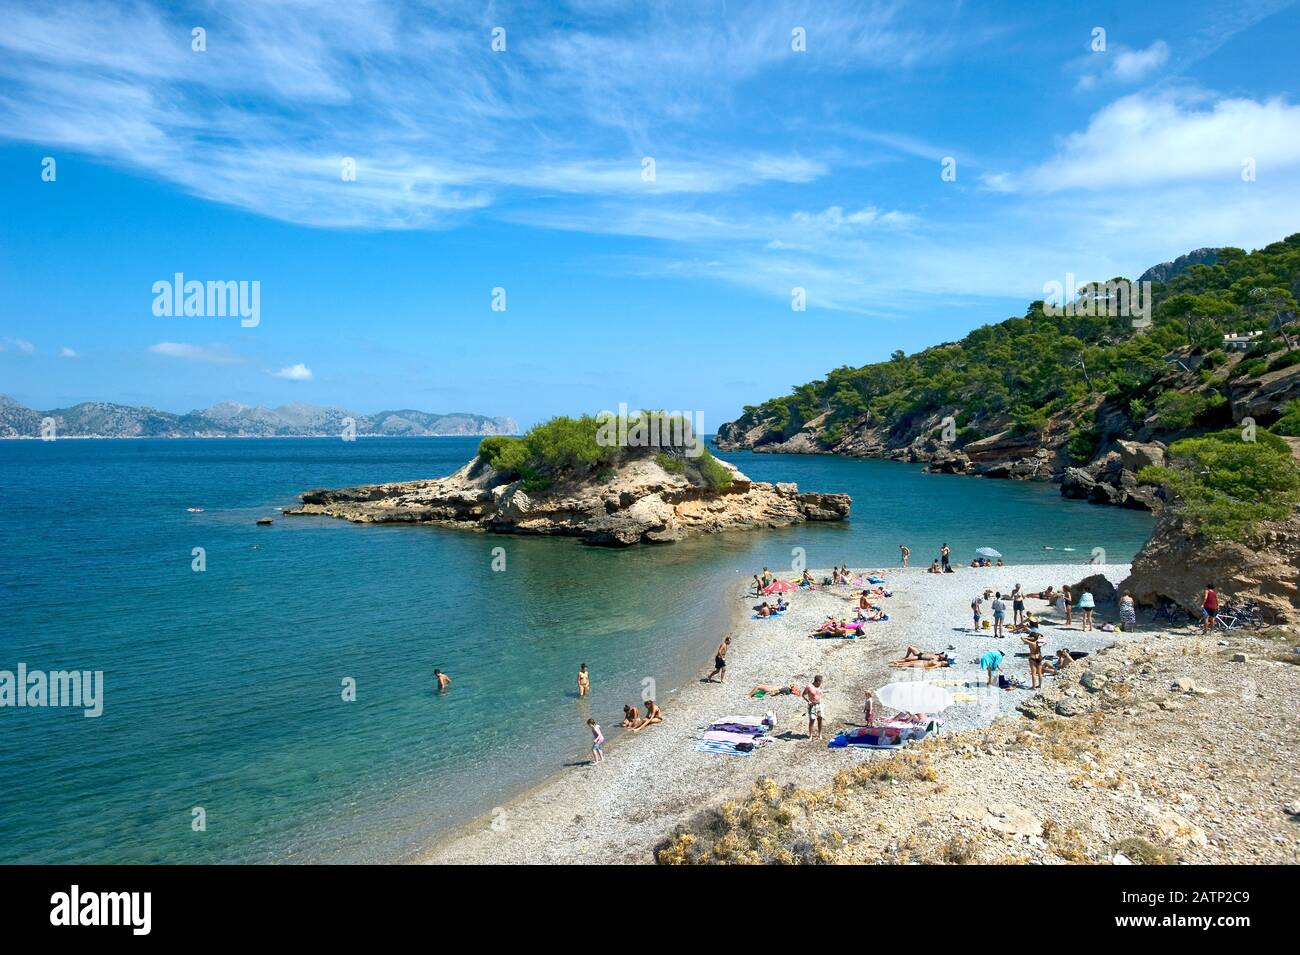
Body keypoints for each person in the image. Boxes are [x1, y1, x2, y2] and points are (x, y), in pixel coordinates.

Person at [802, 675, 825, 740]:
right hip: (812, 705)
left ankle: (820, 734)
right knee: (812, 720)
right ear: (817, 681)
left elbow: (820, 693)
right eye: (820, 681)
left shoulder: (820, 686)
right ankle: (810, 735)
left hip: (819, 705)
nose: (821, 683)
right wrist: (808, 701)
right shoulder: (809, 686)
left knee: (820, 719)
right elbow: (803, 695)